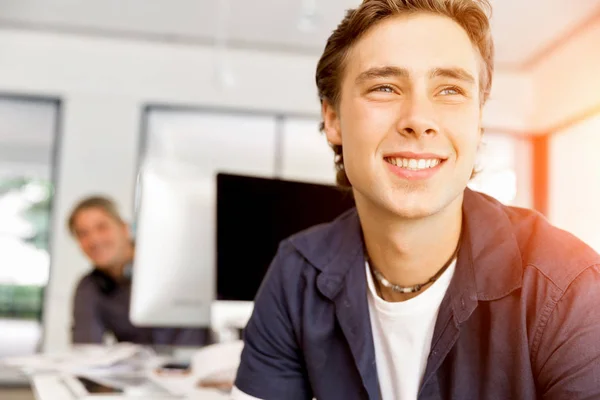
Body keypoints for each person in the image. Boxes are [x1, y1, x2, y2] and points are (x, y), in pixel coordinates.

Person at [232, 0, 600, 399]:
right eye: (384, 87)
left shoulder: (570, 290)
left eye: (450, 90)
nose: (418, 119)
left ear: (478, 122)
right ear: (333, 119)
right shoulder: (296, 276)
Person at [69, 195, 209, 346]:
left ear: (124, 228)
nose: (94, 240)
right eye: (83, 234)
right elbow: (86, 349)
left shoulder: (175, 265)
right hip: (142, 367)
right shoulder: (90, 287)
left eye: (102, 227)